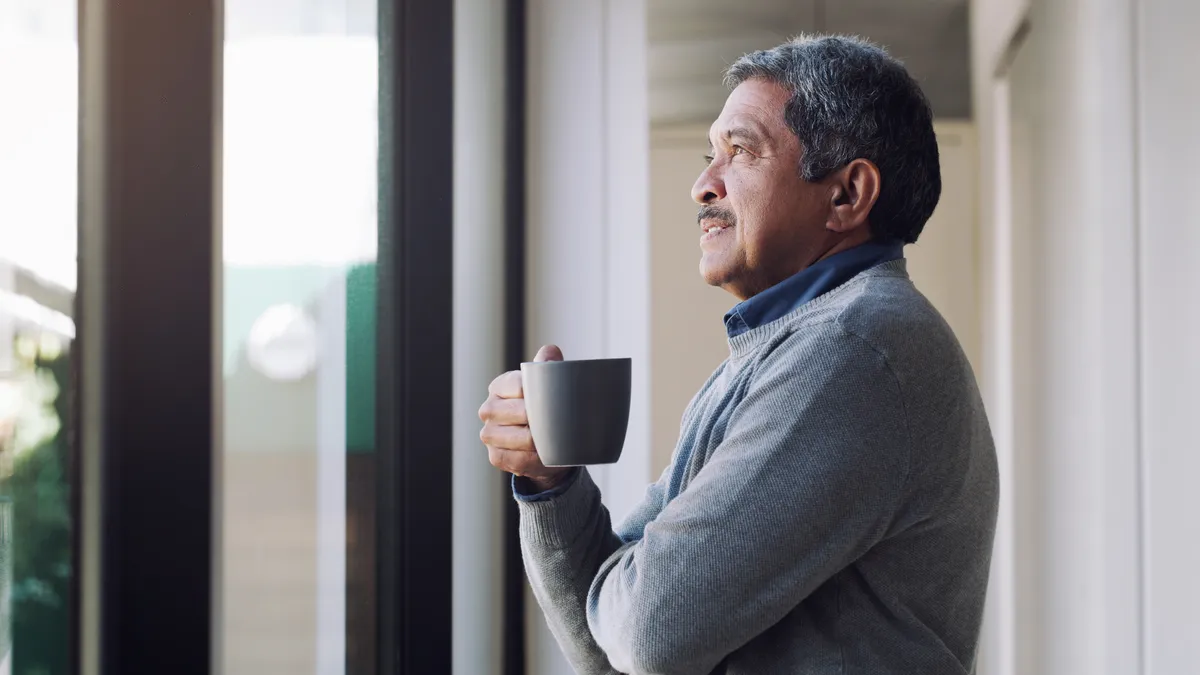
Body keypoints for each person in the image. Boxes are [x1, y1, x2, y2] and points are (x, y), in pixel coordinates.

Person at [479, 34, 998, 675]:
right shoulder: (773, 356)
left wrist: (631, 590)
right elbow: (606, 655)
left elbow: (647, 632)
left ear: (846, 195)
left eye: (741, 152)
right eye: (710, 156)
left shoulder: (854, 350)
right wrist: (548, 482)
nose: (702, 185)